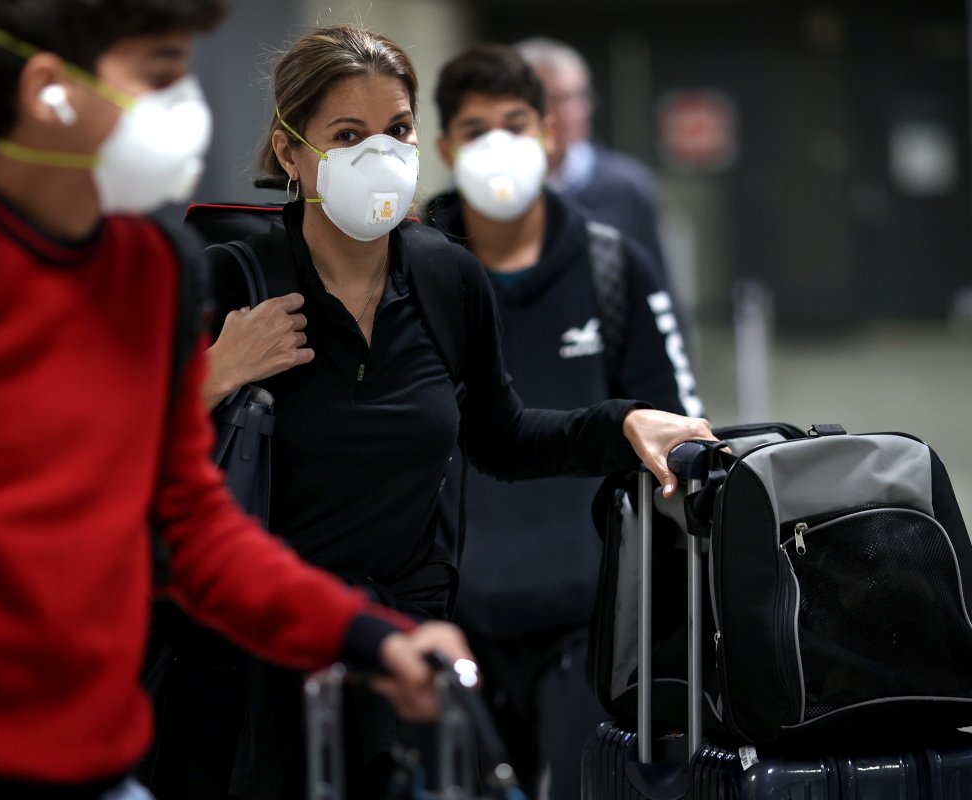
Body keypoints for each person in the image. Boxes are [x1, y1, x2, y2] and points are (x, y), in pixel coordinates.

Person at [0, 3, 477, 799]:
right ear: (49, 90)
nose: (187, 104)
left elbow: (194, 527)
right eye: (160, 73)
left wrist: (369, 640)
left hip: (94, 765)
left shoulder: (153, 269)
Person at [153, 23, 716, 800]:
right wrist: (211, 378)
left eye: (397, 130)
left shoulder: (446, 277)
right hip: (251, 665)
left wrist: (620, 423)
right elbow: (126, 461)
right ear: (290, 152)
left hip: (401, 658)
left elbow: (502, 436)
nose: (378, 155)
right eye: (347, 135)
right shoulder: (229, 281)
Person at [426, 43, 703, 800]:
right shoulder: (410, 269)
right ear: (446, 147)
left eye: (515, 124)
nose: (497, 146)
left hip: (593, 614)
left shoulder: (613, 265)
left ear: (549, 133)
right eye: (475, 130)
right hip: (451, 615)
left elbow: (678, 425)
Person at [516, 37, 670, 285]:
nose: (567, 112)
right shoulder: (494, 186)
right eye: (551, 99)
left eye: (577, 97)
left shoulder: (626, 186)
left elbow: (657, 284)